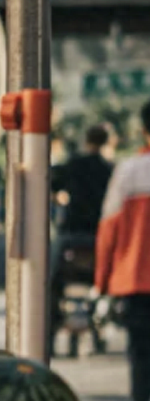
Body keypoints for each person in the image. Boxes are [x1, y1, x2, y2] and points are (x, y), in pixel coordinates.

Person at [94, 100, 150, 401]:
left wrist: (101, 282)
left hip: (136, 281)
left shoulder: (128, 171)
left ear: (143, 131)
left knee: (142, 352)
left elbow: (108, 230)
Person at [50, 124, 114, 344]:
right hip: (98, 238)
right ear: (107, 142)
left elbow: (51, 183)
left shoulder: (72, 165)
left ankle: (50, 330)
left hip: (70, 235)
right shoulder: (110, 169)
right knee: (107, 282)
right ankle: (101, 325)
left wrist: (59, 198)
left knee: (50, 283)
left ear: (86, 141)